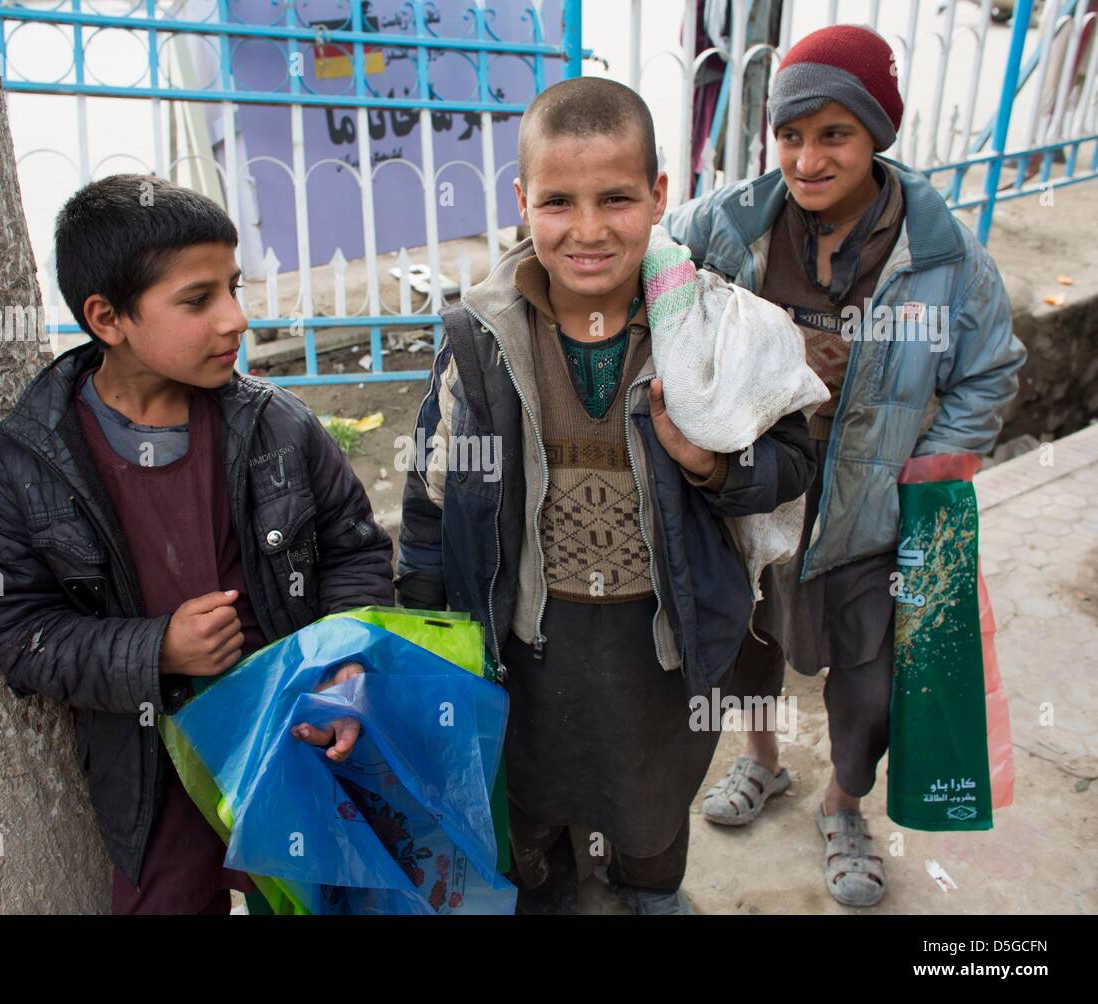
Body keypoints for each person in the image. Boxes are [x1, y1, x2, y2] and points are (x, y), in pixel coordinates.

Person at [395, 77, 817, 915]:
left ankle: (648, 893)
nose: (588, 231)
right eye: (559, 201)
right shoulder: (479, 344)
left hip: (661, 645)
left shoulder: (717, 332)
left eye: (617, 199)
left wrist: (710, 466)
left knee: (652, 807)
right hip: (526, 646)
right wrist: (426, 644)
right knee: (530, 803)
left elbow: (792, 465)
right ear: (522, 202)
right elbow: (431, 505)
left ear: (660, 197)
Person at [665, 25, 1026, 907]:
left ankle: (843, 802)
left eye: (835, 135)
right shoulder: (730, 221)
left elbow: (991, 367)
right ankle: (762, 764)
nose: (808, 158)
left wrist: (931, 468)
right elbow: (659, 279)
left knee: (868, 678)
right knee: (746, 654)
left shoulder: (940, 256)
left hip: (875, 510)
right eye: (791, 134)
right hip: (754, 503)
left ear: (878, 137)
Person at [0, 175, 393, 914]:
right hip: (152, 769)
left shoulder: (276, 427)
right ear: (108, 318)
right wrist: (155, 648)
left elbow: (354, 551)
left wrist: (338, 672)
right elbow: (19, 630)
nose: (235, 318)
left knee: (312, 898)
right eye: (198, 300)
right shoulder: (34, 459)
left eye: (233, 286)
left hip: (291, 739)